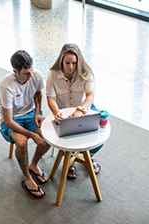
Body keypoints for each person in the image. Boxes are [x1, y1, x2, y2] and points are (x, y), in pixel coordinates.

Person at [46, 43, 103, 179]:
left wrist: (81, 110)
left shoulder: (86, 73)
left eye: (74, 63)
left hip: (84, 108)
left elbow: (90, 96)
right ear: (61, 61)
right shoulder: (52, 74)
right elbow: (50, 98)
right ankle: (71, 157)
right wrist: (56, 112)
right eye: (67, 63)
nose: (71, 67)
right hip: (64, 111)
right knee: (66, 134)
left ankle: (88, 156)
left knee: (100, 133)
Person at [0, 50, 50, 198]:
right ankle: (27, 177)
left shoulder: (35, 75)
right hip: (12, 119)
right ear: (15, 71)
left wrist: (38, 112)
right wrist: (32, 135)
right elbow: (8, 121)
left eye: (32, 71)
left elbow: (38, 93)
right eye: (27, 73)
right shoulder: (6, 85)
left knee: (48, 136)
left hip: (30, 113)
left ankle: (33, 164)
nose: (31, 76)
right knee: (21, 142)